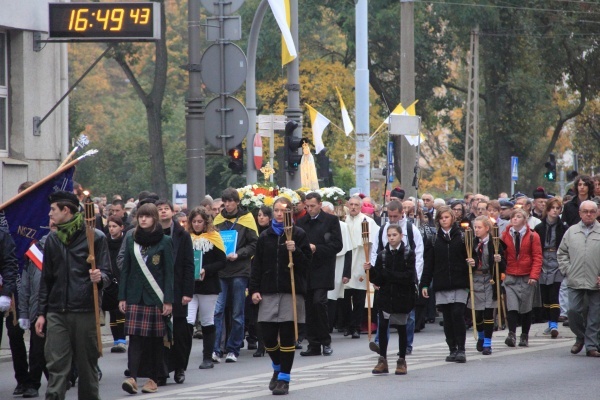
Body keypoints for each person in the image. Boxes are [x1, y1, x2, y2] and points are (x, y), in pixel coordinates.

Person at [35, 191, 111, 400]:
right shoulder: (52, 239)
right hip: (57, 311)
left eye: (53, 210)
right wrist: (41, 313)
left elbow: (108, 273)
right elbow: (47, 279)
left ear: (65, 210)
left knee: (87, 367)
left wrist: (100, 277)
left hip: (86, 310)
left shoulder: (95, 237)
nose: (50, 214)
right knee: (56, 366)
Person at [250, 197, 312, 395]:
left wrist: (296, 251)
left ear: (290, 213)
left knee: (287, 336)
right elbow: (257, 266)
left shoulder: (299, 234)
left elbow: (307, 264)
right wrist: (254, 290)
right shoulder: (265, 236)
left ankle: (284, 378)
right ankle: (277, 367)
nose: (279, 214)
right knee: (267, 336)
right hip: (268, 291)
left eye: (283, 211)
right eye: (276, 210)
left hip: (290, 291)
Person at [119, 203, 174, 394]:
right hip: (135, 296)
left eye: (147, 216)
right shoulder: (131, 240)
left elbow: (169, 273)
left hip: (155, 298)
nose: (143, 219)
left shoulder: (165, 241)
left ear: (154, 219)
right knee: (134, 339)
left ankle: (153, 379)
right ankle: (132, 378)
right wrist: (122, 297)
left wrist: (168, 300)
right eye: (140, 216)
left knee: (154, 341)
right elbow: (125, 269)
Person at [213, 188, 259, 363]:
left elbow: (254, 244)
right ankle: (216, 349)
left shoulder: (247, 219)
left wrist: (239, 254)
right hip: (221, 270)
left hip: (240, 269)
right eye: (225, 201)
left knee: (237, 312)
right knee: (218, 311)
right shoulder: (218, 220)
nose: (228, 204)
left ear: (237, 202)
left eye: (231, 201)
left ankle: (233, 349)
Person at [420, 206, 469, 363]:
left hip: (459, 282)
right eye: (441, 218)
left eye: (447, 217)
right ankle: (452, 348)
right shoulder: (434, 240)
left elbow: (472, 255)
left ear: (452, 218)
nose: (444, 220)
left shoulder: (462, 237)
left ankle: (461, 348)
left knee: (457, 314)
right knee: (447, 318)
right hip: (442, 282)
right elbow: (428, 264)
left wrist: (472, 262)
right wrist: (424, 284)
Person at [296, 192, 343, 357]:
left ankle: (325, 340)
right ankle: (313, 344)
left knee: (319, 303)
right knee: (308, 307)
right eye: (307, 206)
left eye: (313, 206)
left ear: (320, 204)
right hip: (306, 269)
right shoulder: (301, 222)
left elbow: (337, 245)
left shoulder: (331, 220)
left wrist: (317, 248)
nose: (309, 209)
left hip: (323, 268)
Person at [367, 225, 416, 375]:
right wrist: (371, 271)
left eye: (394, 235)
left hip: (402, 296)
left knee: (401, 328)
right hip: (386, 297)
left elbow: (409, 277)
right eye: (389, 235)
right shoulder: (382, 254)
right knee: (383, 328)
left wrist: (388, 275)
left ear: (401, 236)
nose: (391, 238)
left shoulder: (408, 253)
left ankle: (401, 360)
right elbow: (379, 280)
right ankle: (382, 359)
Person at [156, 200, 194, 385]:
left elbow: (188, 264)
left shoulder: (182, 234)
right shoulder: (151, 234)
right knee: (159, 332)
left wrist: (187, 292)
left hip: (178, 289)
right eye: (159, 210)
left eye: (166, 209)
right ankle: (162, 370)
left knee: (179, 331)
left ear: (172, 212)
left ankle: (179, 368)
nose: (163, 212)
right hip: (157, 289)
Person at [558, 200, 600, 357]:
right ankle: (580, 337)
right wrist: (568, 270)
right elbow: (562, 253)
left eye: (592, 211)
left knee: (595, 315)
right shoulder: (571, 231)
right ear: (580, 213)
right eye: (585, 211)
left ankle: (591, 346)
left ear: (596, 213)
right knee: (573, 311)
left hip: (595, 281)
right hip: (575, 280)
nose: (588, 214)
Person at [186, 207, 226, 369]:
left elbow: (222, 261)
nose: (196, 225)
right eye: (194, 221)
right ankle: (182, 357)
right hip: (190, 286)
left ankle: (207, 357)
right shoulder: (186, 237)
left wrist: (206, 269)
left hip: (208, 286)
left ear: (206, 222)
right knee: (187, 321)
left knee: (207, 321)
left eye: (200, 221)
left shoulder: (214, 237)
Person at [19, 222, 53, 398]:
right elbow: (25, 286)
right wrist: (24, 313)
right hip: (36, 309)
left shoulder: (69, 248)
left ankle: (62, 378)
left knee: (59, 349)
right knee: (36, 351)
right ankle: (33, 383)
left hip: (58, 308)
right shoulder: (34, 252)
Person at [501, 208, 542, 348]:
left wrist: (534, 275)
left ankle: (524, 335)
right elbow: (503, 256)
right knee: (512, 307)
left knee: (525, 309)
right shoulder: (505, 235)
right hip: (511, 276)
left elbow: (537, 257)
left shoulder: (532, 236)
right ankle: (511, 334)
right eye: (513, 216)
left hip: (526, 277)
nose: (515, 219)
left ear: (525, 220)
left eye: (518, 217)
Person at [466, 216, 505, 355]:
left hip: (489, 280)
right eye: (475, 227)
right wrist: (470, 263)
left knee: (489, 312)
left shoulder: (495, 243)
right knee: (477, 314)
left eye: (479, 227)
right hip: (476, 279)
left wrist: (499, 260)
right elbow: (467, 259)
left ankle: (488, 342)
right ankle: (481, 337)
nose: (476, 230)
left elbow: (503, 264)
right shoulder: (471, 243)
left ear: (487, 228)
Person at [343, 195, 379, 340]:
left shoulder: (368, 222)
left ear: (360, 206)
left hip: (360, 261)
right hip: (346, 261)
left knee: (358, 297)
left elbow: (375, 243)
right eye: (351, 204)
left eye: (356, 205)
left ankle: (356, 327)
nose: (353, 207)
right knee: (344, 297)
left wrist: (371, 262)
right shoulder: (343, 221)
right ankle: (347, 325)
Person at [534, 198, 568, 338]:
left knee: (555, 292)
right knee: (545, 295)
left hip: (557, 259)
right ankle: (549, 322)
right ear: (547, 210)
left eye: (558, 208)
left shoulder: (564, 227)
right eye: (552, 207)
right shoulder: (539, 228)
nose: (555, 210)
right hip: (542, 260)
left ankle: (554, 324)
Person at [106, 216, 127, 353]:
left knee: (121, 311)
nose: (112, 229)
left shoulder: (125, 241)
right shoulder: (105, 242)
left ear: (121, 227)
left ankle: (122, 340)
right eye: (110, 226)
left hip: (121, 278)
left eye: (114, 226)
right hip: (109, 278)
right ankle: (115, 339)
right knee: (112, 311)